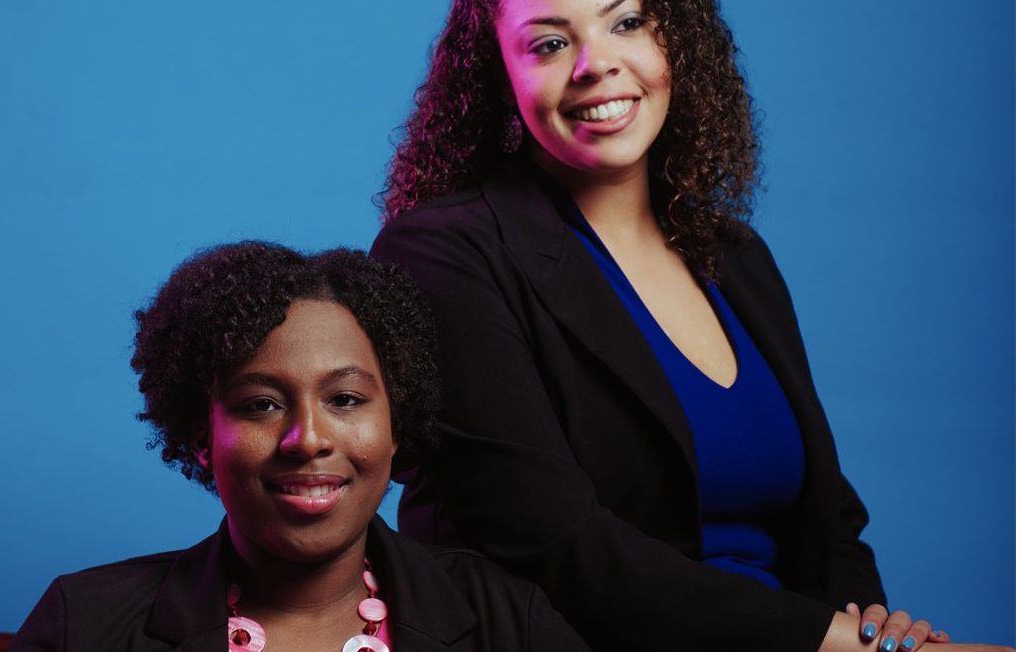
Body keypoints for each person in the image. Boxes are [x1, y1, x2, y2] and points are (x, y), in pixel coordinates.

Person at [370, 1, 1014, 651]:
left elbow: (831, 521)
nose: (598, 64)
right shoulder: (443, 254)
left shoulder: (736, 256)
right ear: (499, 76)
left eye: (626, 23)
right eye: (548, 45)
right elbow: (555, 546)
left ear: (677, 40)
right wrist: (838, 644)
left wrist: (875, 630)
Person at [10, 242, 589, 651]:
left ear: (396, 424)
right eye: (261, 404)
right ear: (200, 438)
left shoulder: (512, 624)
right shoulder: (82, 625)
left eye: (345, 399)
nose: (308, 439)